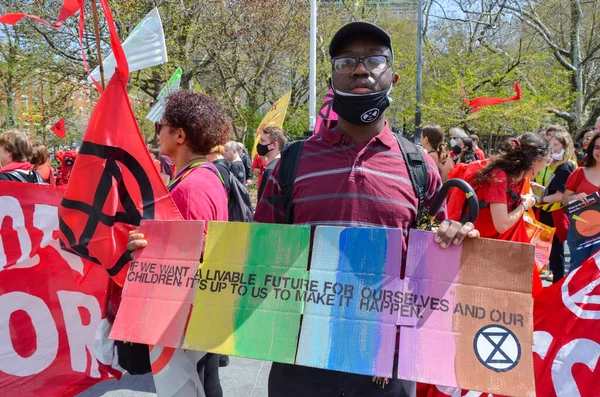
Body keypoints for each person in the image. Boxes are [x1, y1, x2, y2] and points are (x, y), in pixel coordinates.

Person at [254, 21, 478, 397]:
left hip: (387, 366)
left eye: (374, 60)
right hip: (301, 362)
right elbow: (258, 254)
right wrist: (169, 257)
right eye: (346, 61)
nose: (360, 69)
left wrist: (455, 240)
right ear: (332, 77)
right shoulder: (291, 162)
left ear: (394, 76)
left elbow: (434, 263)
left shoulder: (419, 167)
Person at [128, 90, 228, 397]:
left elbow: (185, 259)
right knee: (206, 382)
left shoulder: (191, 186)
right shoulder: (203, 176)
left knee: (194, 386)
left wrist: (142, 248)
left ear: (180, 135)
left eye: (161, 127)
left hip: (188, 314)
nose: (157, 134)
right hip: (203, 310)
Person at [465, 134, 549, 238]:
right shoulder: (499, 177)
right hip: (481, 243)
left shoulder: (521, 177)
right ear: (535, 161)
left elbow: (527, 194)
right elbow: (502, 225)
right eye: (547, 161)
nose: (545, 165)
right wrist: (524, 205)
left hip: (497, 242)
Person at [535, 127, 576, 283]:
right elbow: (554, 189)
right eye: (550, 145)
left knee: (555, 250)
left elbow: (560, 195)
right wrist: (540, 190)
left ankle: (558, 282)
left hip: (556, 213)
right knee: (548, 249)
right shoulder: (558, 165)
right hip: (549, 211)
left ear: (565, 147)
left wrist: (538, 199)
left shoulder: (565, 167)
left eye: (556, 145)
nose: (552, 149)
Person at [563, 132, 600, 270]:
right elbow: (564, 200)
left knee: (597, 275)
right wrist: (574, 198)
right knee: (578, 270)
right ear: (591, 149)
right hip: (581, 230)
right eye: (597, 147)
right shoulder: (579, 172)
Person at [256, 126, 288, 201]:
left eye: (263, 141)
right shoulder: (284, 164)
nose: (259, 143)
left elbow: (267, 204)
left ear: (274, 145)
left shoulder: (271, 170)